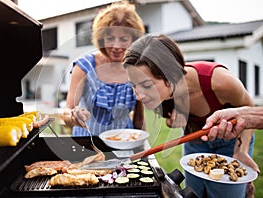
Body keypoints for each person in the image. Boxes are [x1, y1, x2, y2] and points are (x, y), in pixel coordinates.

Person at [123, 34, 256, 198]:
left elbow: (249, 110)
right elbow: (171, 120)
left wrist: (241, 151)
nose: (138, 95)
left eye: (146, 85)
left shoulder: (220, 81)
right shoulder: (163, 92)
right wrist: (173, 121)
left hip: (231, 140)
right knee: (193, 194)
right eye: (133, 85)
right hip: (194, 138)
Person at [60, 1, 145, 136]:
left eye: (123, 39)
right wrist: (72, 116)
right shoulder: (84, 66)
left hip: (124, 142)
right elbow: (66, 112)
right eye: (110, 38)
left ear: (133, 40)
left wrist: (142, 145)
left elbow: (139, 116)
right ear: (101, 38)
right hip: (87, 143)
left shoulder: (137, 69)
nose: (116, 46)